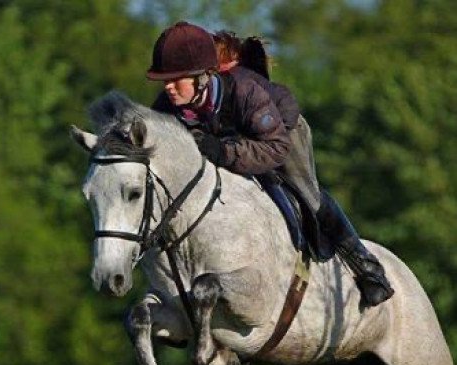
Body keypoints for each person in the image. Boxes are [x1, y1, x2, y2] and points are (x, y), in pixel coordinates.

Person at [147, 21, 394, 307]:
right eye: (164, 80)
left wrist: (224, 152)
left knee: (307, 194)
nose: (168, 87)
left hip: (281, 133)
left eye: (175, 79)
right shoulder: (167, 102)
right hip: (233, 136)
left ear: (202, 76)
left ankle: (368, 270)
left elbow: (275, 147)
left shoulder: (245, 92)